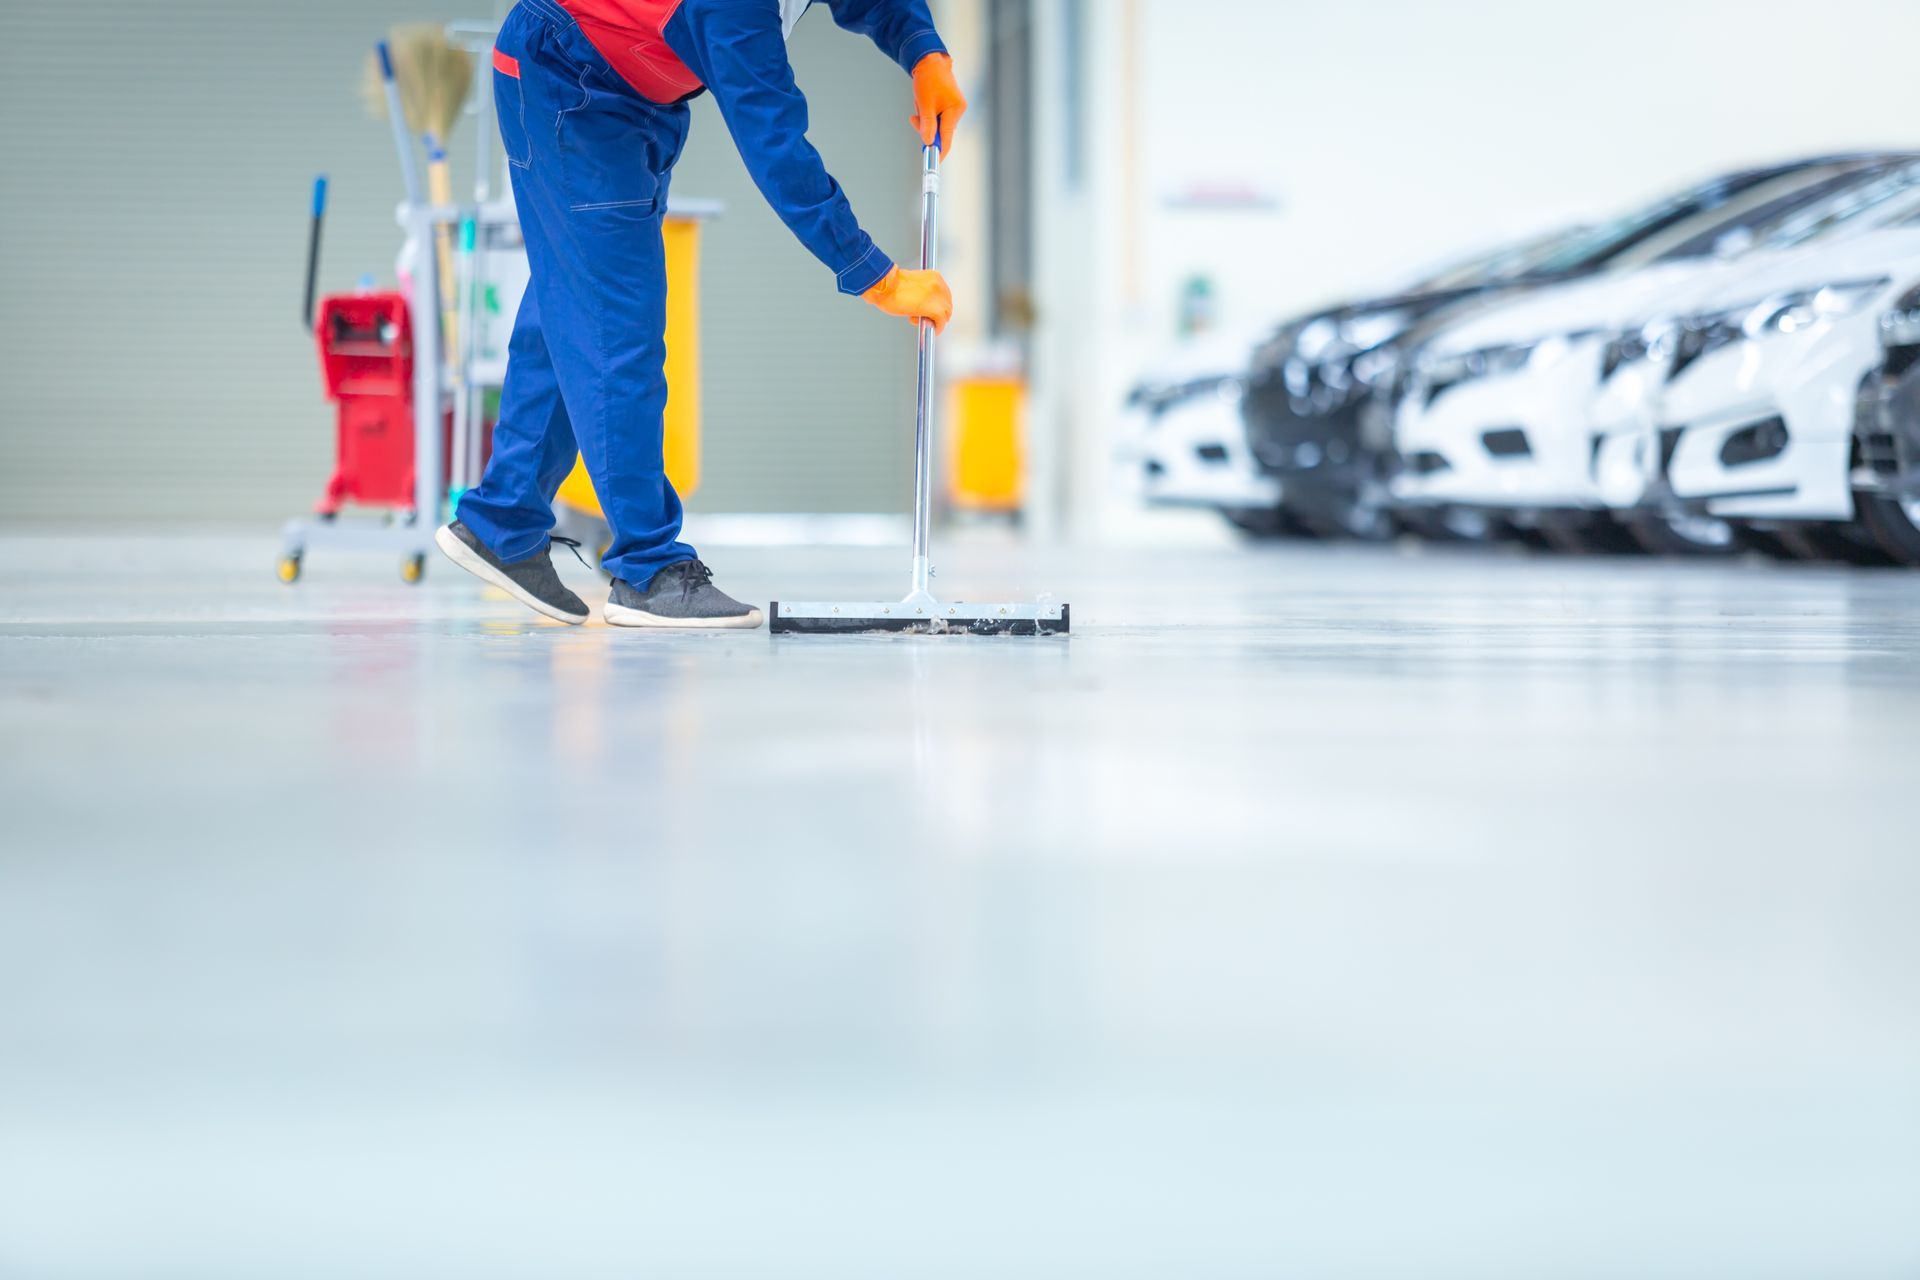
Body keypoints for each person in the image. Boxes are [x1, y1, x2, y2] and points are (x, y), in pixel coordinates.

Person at [436, 0, 965, 629]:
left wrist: (923, 49)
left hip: (626, 95)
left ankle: (504, 518)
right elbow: (776, 147)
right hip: (569, 81)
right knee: (616, 328)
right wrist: (878, 277)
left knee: (576, 309)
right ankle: (649, 569)